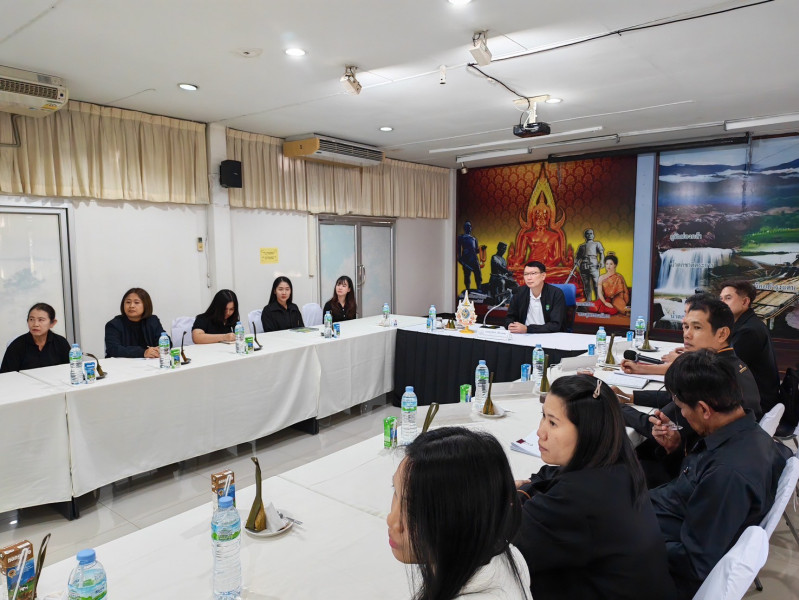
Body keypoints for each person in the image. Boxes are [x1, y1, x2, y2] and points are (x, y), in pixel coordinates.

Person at [513, 375, 675, 600]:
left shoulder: (577, 496)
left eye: (553, 423)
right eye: (543, 417)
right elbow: (550, 475)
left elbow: (508, 542)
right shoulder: (618, 464)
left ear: (588, 431)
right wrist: (526, 491)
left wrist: (511, 497)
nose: (541, 432)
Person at [648, 349, 786, 600]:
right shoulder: (752, 437)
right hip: (665, 518)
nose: (683, 416)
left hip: (660, 562)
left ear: (704, 409)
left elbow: (694, 562)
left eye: (682, 408)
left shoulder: (728, 474)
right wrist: (676, 448)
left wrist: (629, 537)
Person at [387, 427, 532, 600]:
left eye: (413, 508)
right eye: (395, 493)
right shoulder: (502, 553)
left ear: (460, 518)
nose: (391, 520)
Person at [719, 279, 780, 413]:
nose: (722, 303)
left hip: (757, 403)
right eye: (721, 299)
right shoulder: (744, 323)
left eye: (728, 298)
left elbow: (726, 368)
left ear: (745, 302)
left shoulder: (749, 331)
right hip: (749, 395)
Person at [1, 303, 71, 373]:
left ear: (52, 323)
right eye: (31, 319)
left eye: (41, 320)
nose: (35, 324)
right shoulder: (16, 346)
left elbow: (70, 369)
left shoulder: (61, 343)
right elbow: (6, 375)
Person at [504, 261, 566, 333]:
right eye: (526, 274)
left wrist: (527, 329)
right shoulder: (519, 292)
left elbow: (556, 325)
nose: (529, 278)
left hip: (549, 335)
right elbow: (510, 317)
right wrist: (510, 325)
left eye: (533, 273)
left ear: (543, 276)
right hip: (523, 335)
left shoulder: (556, 294)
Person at [104, 288, 166, 358]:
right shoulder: (113, 325)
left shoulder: (152, 320)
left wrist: (158, 349)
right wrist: (143, 352)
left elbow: (164, 340)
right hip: (121, 363)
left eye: (136, 302)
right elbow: (114, 349)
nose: (131, 306)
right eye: (128, 302)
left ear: (145, 305)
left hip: (149, 363)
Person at [575, 228, 605, 301]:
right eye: (587, 234)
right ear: (585, 236)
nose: (589, 235)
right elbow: (577, 257)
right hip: (583, 266)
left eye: (591, 233)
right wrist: (576, 263)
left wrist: (601, 261)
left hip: (593, 265)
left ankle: (598, 301)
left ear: (593, 235)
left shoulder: (597, 244)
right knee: (586, 285)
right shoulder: (581, 246)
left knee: (596, 283)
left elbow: (601, 253)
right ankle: (588, 301)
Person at [456, 220, 483, 291]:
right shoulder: (461, 237)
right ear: (464, 228)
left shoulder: (474, 239)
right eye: (467, 226)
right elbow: (458, 249)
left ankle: (479, 288)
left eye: (470, 226)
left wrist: (481, 249)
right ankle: (467, 289)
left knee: (478, 273)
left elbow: (476, 250)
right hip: (466, 258)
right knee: (467, 275)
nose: (469, 228)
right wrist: (460, 258)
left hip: (474, 259)